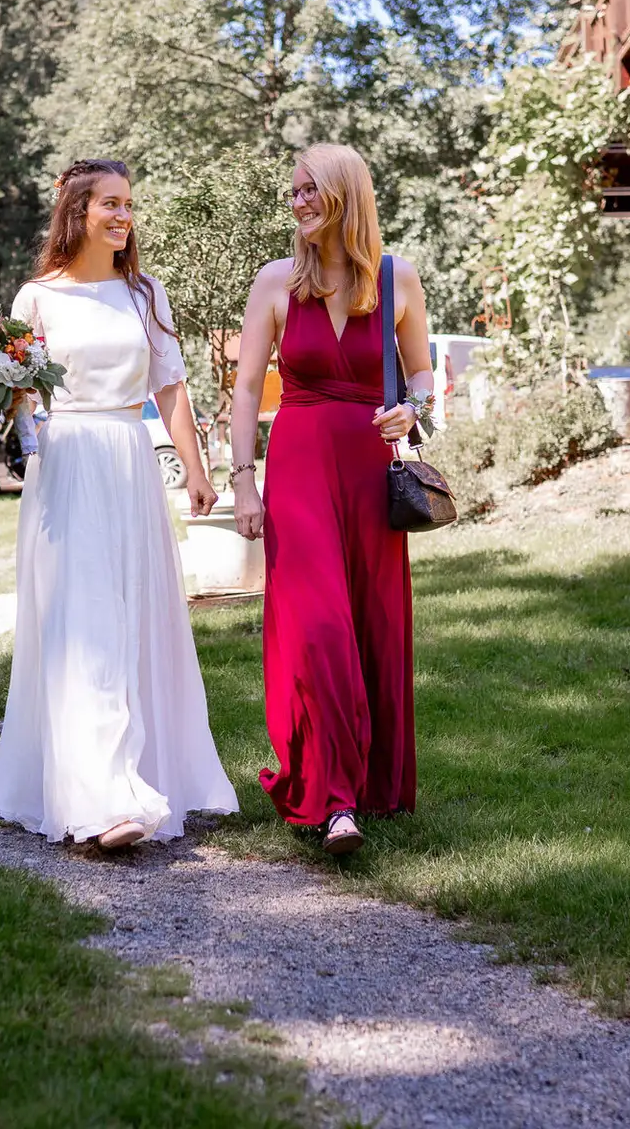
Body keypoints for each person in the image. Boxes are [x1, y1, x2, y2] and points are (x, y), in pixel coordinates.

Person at [0, 159, 240, 848]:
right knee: (82, 618)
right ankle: (101, 799)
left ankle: (147, 775)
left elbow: (171, 388)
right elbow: (23, 396)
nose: (124, 217)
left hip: (128, 457)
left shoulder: (146, 293)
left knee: (133, 619)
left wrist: (195, 467)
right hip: (66, 463)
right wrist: (21, 418)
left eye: (129, 205)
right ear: (77, 213)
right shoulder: (36, 298)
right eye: (111, 205)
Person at [228, 143, 433, 855]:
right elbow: (249, 388)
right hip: (300, 469)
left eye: (311, 190)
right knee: (319, 629)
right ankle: (335, 798)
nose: (298, 202)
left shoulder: (397, 280)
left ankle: (372, 787)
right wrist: (241, 481)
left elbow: (423, 376)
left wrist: (412, 411)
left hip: (370, 473)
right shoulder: (276, 282)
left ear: (346, 194)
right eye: (294, 192)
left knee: (373, 623)